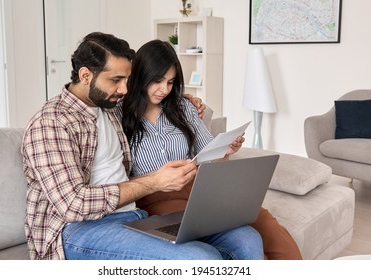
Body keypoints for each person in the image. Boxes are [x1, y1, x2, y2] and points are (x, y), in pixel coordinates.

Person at [21, 32, 263, 260]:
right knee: (200, 258)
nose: (125, 89)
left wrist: (185, 99)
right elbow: (74, 205)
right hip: (78, 231)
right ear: (85, 75)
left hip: (133, 216)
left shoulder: (109, 108)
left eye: (127, 79)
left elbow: (152, 98)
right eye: (116, 80)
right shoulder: (51, 122)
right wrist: (155, 181)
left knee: (246, 239)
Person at [119, 39, 302, 260]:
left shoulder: (183, 107)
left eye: (170, 82)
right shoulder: (119, 115)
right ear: (141, 75)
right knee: (237, 235)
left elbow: (210, 154)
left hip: (200, 187)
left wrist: (226, 150)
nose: (164, 89)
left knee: (264, 221)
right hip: (156, 197)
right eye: (158, 81)